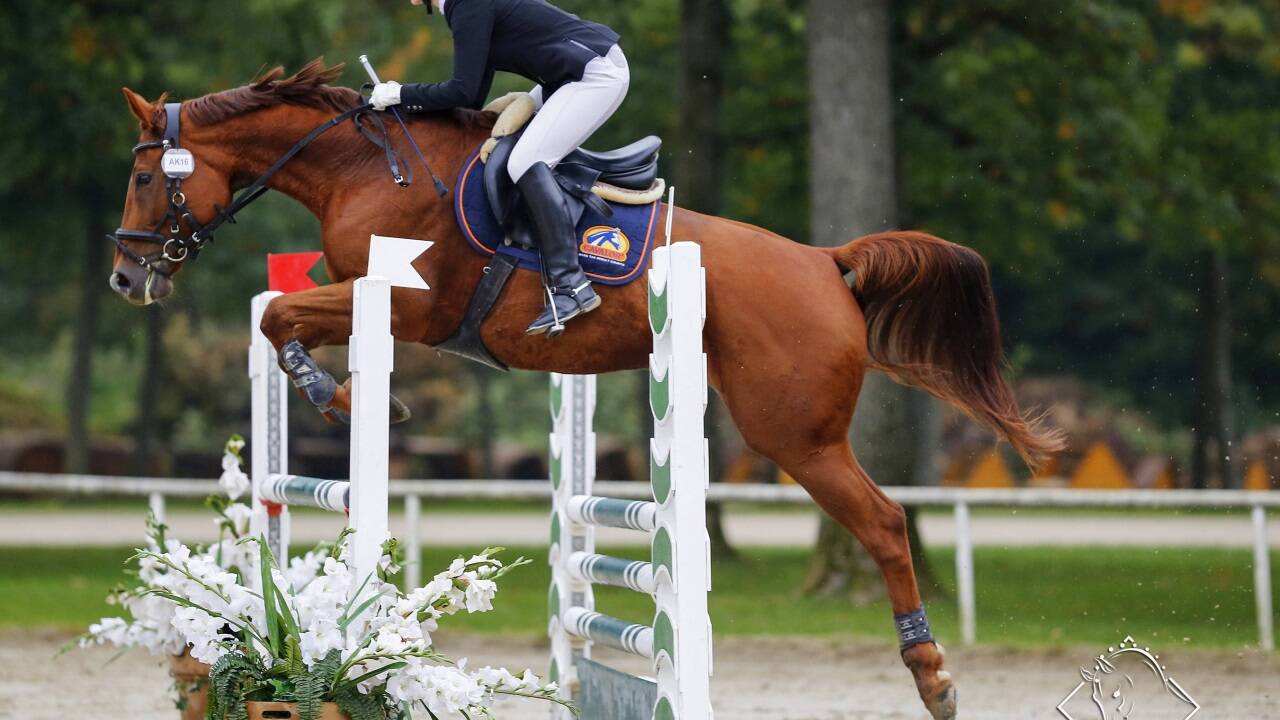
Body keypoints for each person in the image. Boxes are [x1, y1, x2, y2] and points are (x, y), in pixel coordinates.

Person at [370, 0, 630, 336]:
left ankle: (571, 284)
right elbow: (472, 97)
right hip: (567, 73)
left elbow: (461, 91)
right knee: (515, 150)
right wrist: (405, 101)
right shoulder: (465, 8)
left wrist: (400, 93)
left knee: (526, 161)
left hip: (593, 75)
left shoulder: (467, 6)